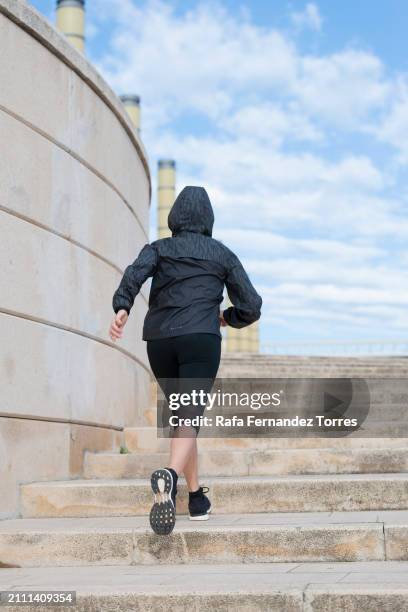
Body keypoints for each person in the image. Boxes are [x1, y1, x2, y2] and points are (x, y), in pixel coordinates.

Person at [109, 185, 262, 535]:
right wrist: (228, 317)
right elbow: (252, 305)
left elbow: (134, 275)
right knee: (188, 415)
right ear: (208, 219)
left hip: (160, 341)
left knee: (182, 415)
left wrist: (122, 307)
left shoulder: (158, 249)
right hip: (200, 340)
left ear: (174, 216)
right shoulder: (222, 254)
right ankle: (171, 477)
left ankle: (195, 498)